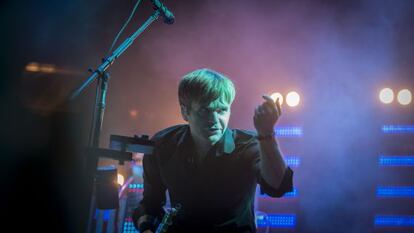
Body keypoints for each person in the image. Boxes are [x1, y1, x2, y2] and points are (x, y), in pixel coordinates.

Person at [132, 68, 293, 233]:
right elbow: (150, 205)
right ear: (185, 111)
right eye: (205, 110)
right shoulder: (163, 144)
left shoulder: (248, 145)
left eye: (222, 110)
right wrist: (146, 229)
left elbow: (278, 187)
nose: (214, 120)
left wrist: (266, 134)